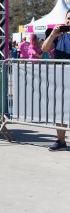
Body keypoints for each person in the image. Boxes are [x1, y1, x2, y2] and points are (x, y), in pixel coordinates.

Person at [42, 10, 70, 151]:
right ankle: (61, 140)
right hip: (61, 78)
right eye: (68, 19)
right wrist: (53, 34)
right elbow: (44, 49)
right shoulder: (59, 36)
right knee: (60, 110)